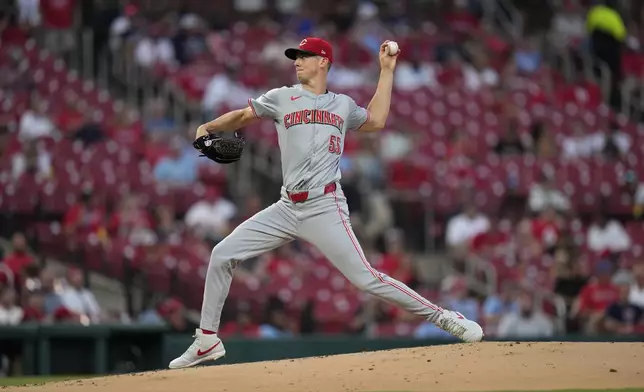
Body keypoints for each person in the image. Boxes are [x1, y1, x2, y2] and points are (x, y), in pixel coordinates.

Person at [169, 37, 483, 369]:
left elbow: (376, 121)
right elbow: (243, 116)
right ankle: (206, 340)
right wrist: (208, 126)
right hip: (287, 206)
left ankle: (444, 317)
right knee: (222, 254)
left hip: (324, 206)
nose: (297, 61)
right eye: (295, 57)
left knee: (366, 278)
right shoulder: (281, 97)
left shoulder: (343, 105)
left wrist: (386, 71)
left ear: (323, 61)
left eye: (303, 56)